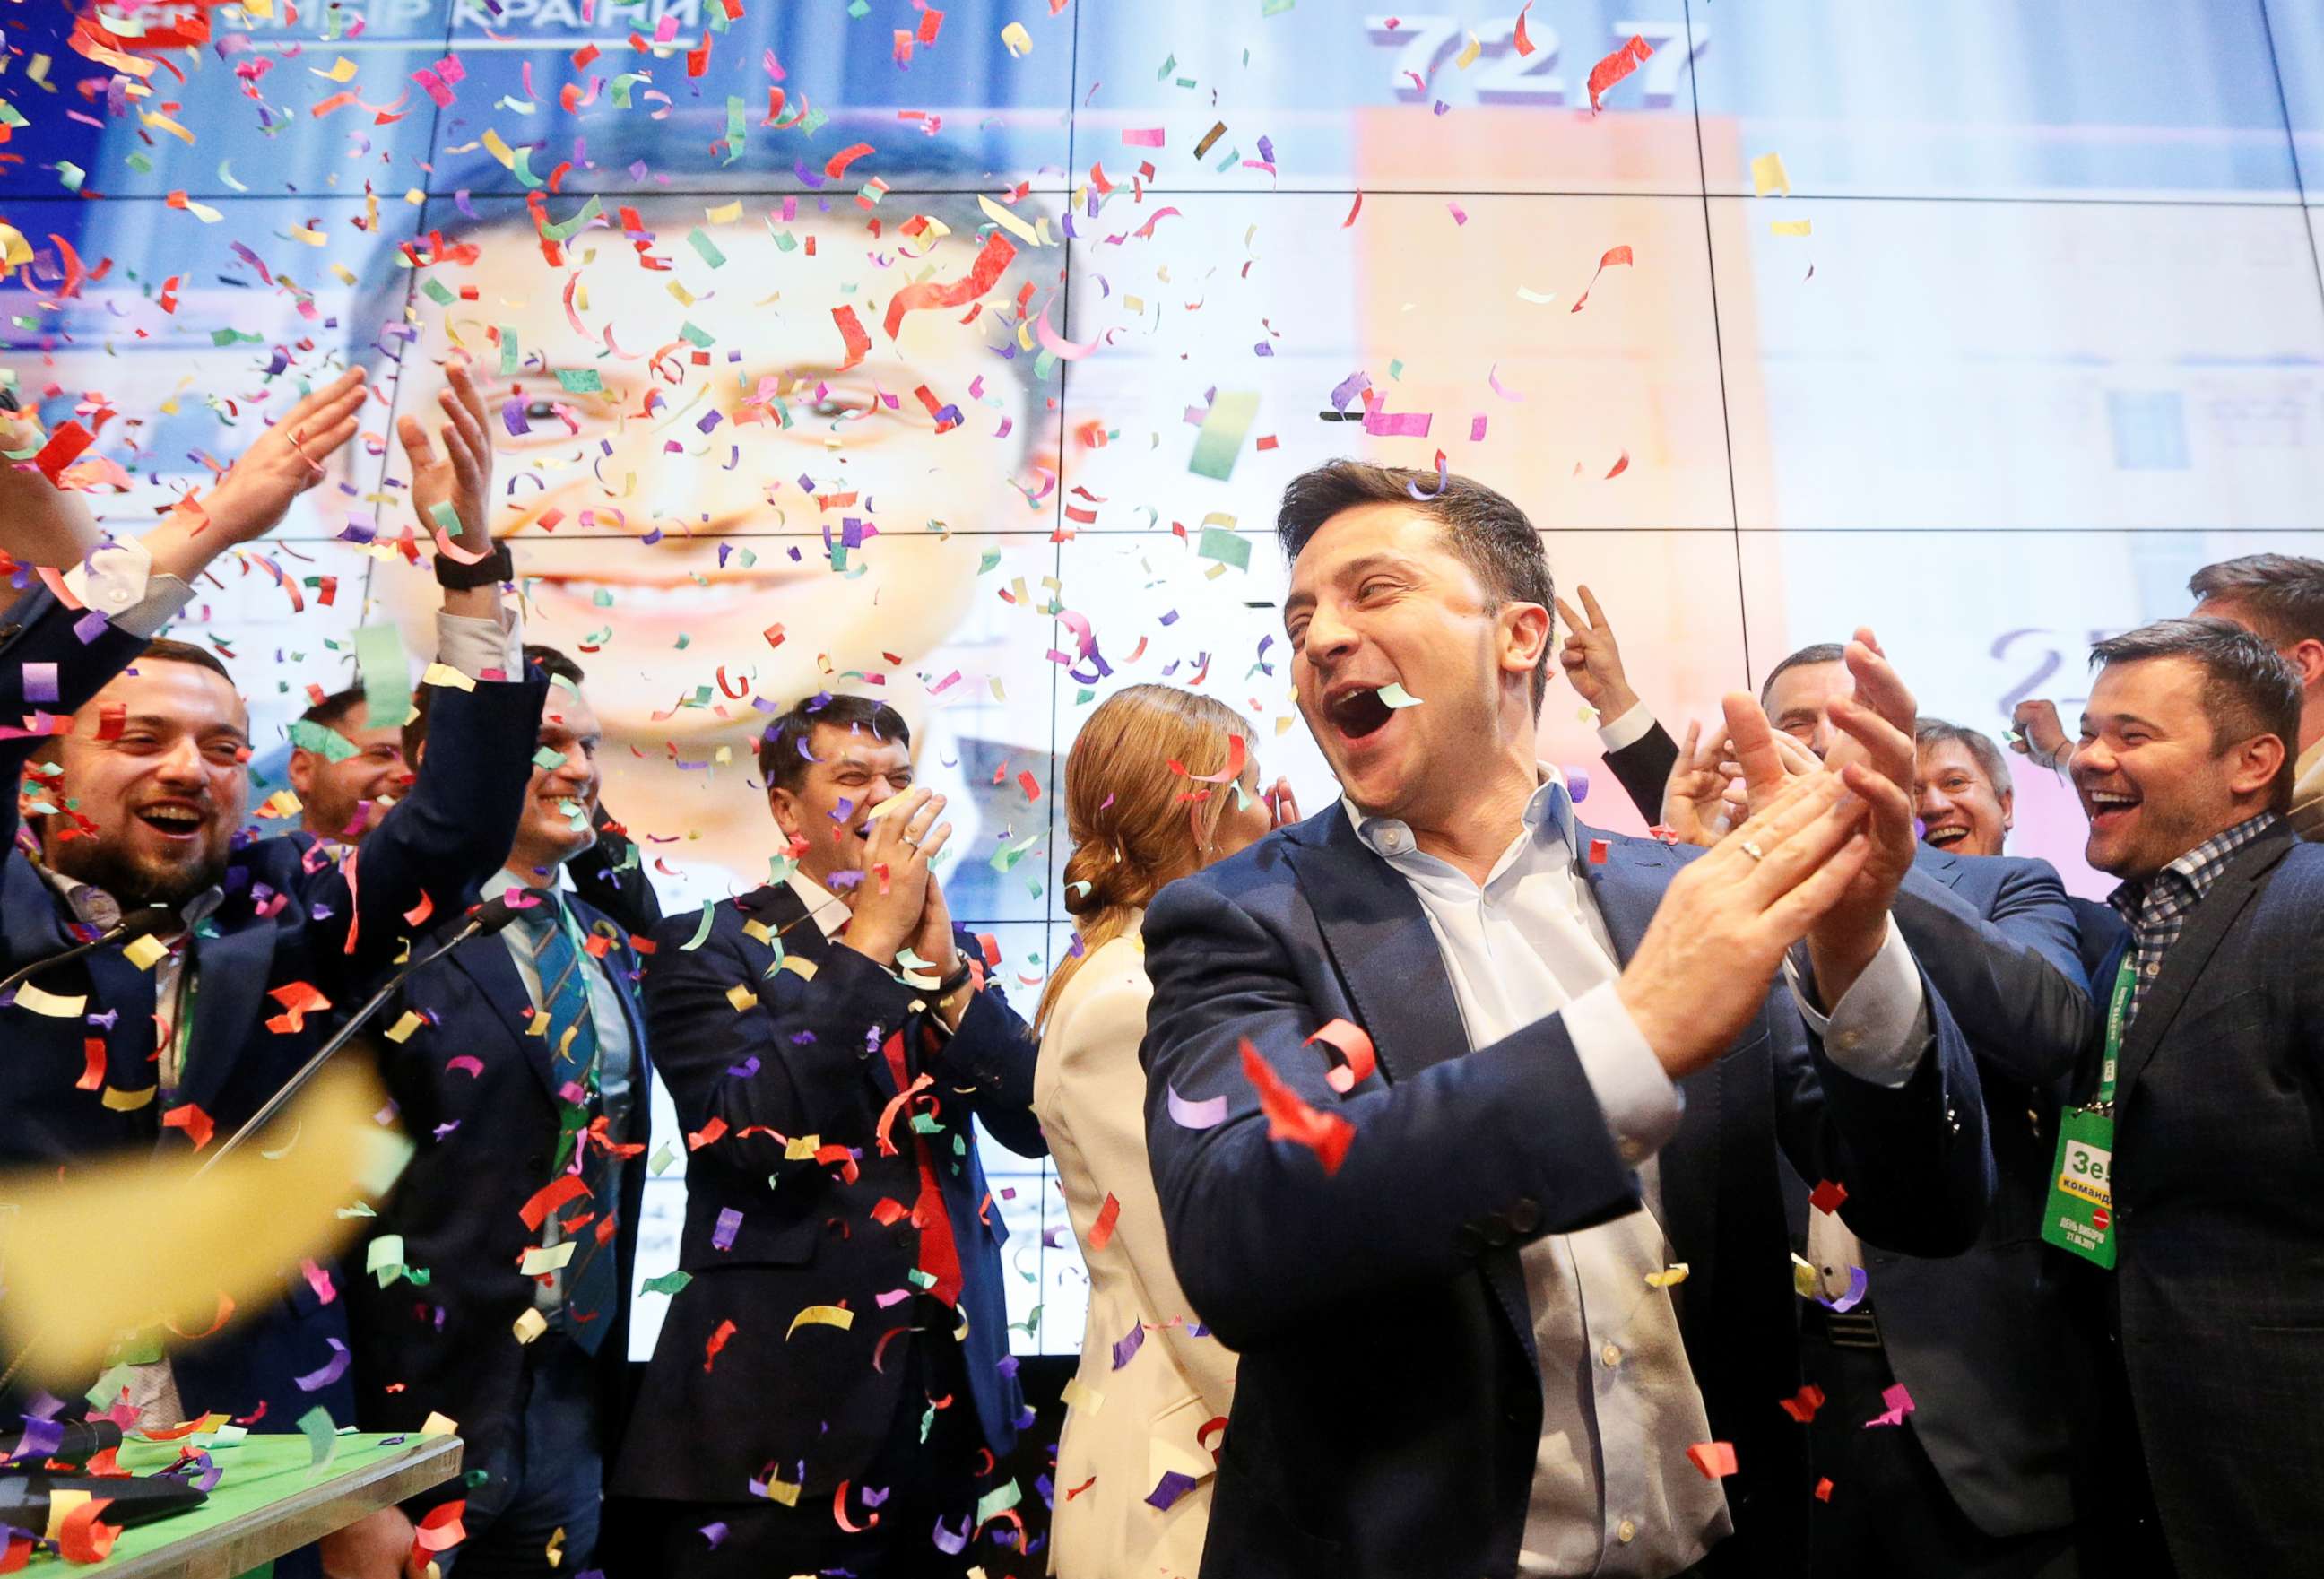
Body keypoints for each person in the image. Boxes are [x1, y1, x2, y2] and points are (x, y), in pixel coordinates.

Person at [1141, 460, 1994, 1578]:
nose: (1321, 639)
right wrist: (1624, 1042)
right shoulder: (1238, 918)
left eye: (1373, 590)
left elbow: (1923, 1203)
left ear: (1520, 636)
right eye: (1300, 617)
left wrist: (1852, 944)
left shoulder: (1668, 897)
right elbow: (1240, 1235)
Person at [0, 365, 544, 1576]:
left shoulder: (284, 925)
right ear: (46, 768)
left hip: (259, 1449)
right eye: (140, 738)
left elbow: (453, 828)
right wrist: (213, 527)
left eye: (223, 745)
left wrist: (470, 573)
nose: (189, 767)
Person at [1571, 614, 2100, 1578]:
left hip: (1971, 1374)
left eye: (1838, 724)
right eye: (1789, 728)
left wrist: (1873, 876)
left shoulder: (1998, 886)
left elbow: (2052, 1024)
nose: (1813, 747)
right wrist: (1622, 714)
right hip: (1775, 1386)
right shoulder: (1729, 897)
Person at [603, 694, 1049, 1577]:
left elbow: (1034, 1125)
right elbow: (754, 1133)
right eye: (852, 780)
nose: (885, 802)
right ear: (785, 810)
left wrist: (953, 978)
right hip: (779, 1416)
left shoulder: (944, 941)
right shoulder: (705, 944)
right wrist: (870, 946)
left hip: (951, 1395)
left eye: (898, 779)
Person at [344, 646, 654, 1576]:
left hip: (570, 1380)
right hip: (414, 1402)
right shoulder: (375, 935)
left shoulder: (605, 938)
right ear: (455, 761)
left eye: (590, 745)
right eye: (545, 742)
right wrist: (351, 1473)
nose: (580, 770)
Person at [2059, 618, 2323, 1579]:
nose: (2090, 759)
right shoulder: (2130, 939)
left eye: (2130, 735)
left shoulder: (2311, 908)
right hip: (2143, 1474)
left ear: (2253, 761)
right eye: (2088, 733)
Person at [1032, 685, 1295, 1579]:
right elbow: (1192, 1284)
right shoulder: (1130, 996)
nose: (1269, 810)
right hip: (1188, 1477)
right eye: (1250, 786)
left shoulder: (1156, 968)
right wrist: (1334, 1448)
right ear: (1200, 814)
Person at [2011, 553, 2324, 842]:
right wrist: (2060, 753)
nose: (2189, 660)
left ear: (2304, 664)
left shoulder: (2307, 811)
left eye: (2221, 647)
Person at [287, 686, 411, 846]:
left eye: (421, 762)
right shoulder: (259, 868)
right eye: (381, 755)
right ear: (302, 770)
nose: (409, 774)